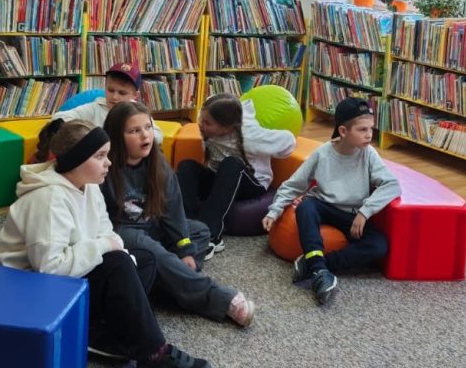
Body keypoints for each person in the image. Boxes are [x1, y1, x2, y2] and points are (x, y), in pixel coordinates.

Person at [0, 119, 211, 368]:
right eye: (100, 156)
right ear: (76, 161)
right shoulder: (48, 199)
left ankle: (100, 335)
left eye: (107, 155)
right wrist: (108, 248)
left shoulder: (89, 185)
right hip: (26, 293)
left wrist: (115, 250)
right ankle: (153, 355)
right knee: (118, 263)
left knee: (144, 260)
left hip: (62, 275)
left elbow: (106, 230)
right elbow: (50, 268)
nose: (109, 163)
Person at [102, 101, 255, 327]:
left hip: (151, 227)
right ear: (117, 136)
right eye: (134, 131)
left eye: (148, 127)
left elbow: (173, 211)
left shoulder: (157, 162)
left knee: (200, 231)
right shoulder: (105, 167)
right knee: (153, 251)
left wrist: (184, 249)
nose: (145, 135)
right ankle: (219, 299)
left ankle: (169, 282)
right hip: (121, 233)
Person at [262, 97, 400, 305]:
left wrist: (365, 212)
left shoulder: (369, 154)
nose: (369, 135)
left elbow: (392, 184)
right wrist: (274, 210)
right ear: (343, 131)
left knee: (379, 245)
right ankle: (319, 269)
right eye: (362, 129)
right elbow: (294, 185)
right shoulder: (322, 153)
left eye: (371, 129)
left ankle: (315, 264)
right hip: (324, 206)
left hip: (352, 214)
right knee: (306, 207)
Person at [177, 93, 296, 258]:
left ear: (227, 128)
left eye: (207, 123)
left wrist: (270, 147)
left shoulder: (250, 136)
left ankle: (210, 235)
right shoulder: (210, 118)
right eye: (201, 120)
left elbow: (289, 141)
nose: (201, 125)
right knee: (186, 166)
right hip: (219, 178)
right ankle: (186, 227)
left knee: (231, 163)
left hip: (251, 184)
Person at [31, 61, 163, 162]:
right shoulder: (95, 108)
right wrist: (87, 135)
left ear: (135, 95)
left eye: (122, 93)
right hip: (98, 162)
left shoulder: (138, 112)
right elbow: (59, 118)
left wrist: (131, 139)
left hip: (126, 161)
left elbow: (157, 134)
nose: (114, 97)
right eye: (110, 90)